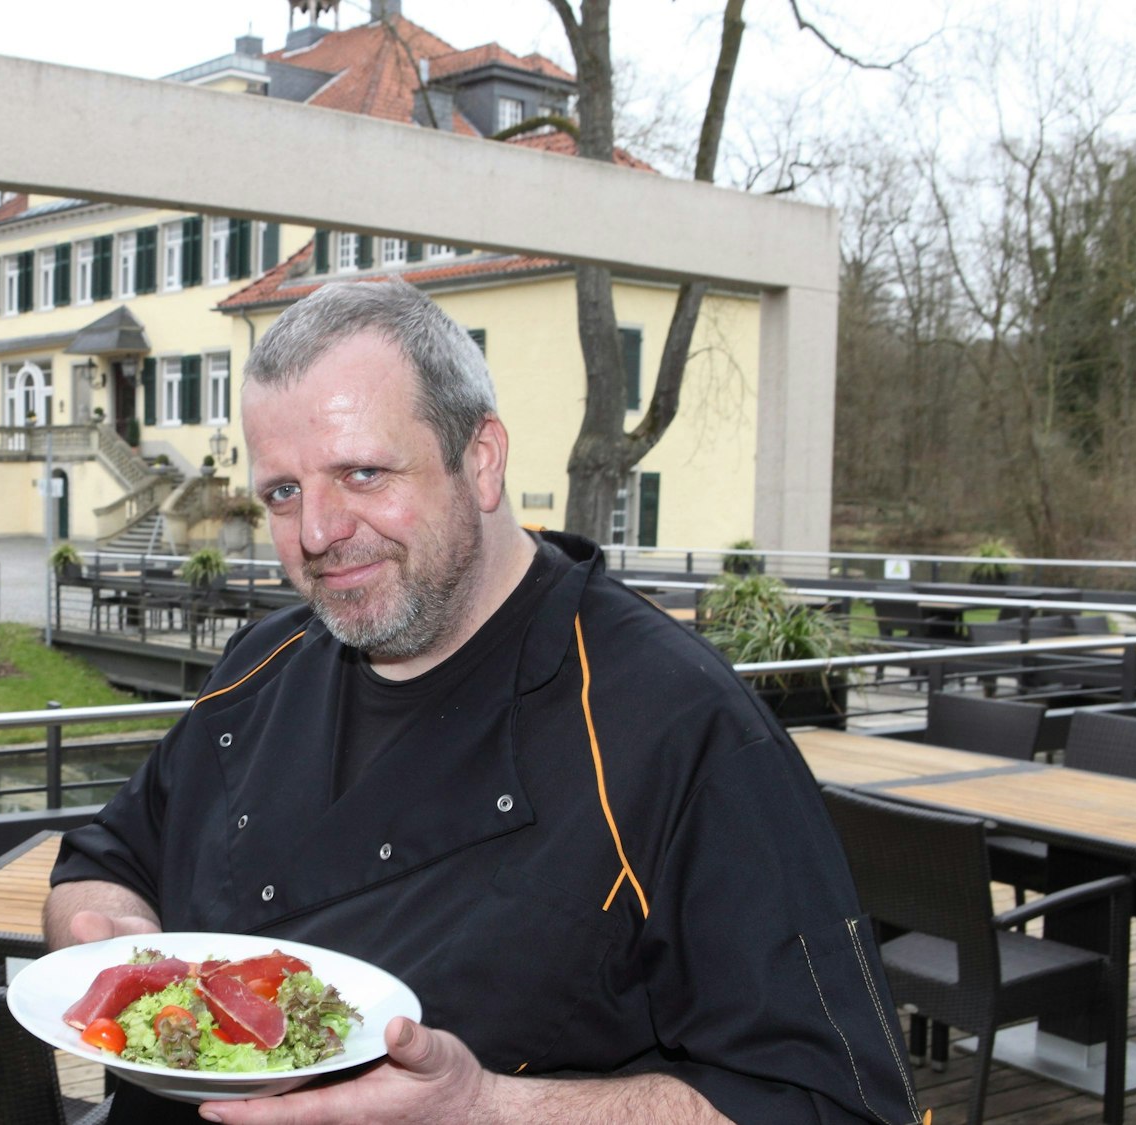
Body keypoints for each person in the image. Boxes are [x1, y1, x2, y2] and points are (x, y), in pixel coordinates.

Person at [45, 282, 920, 1124]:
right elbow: (105, 859)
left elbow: (836, 1103)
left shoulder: (680, 729)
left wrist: (488, 1108)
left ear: (483, 459)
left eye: (361, 472)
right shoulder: (258, 666)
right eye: (282, 491)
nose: (316, 532)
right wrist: (120, 951)